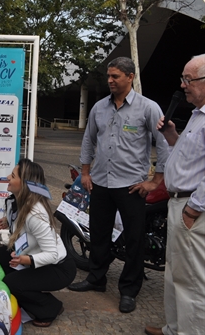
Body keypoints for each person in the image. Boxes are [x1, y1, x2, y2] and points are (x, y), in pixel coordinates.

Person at [68, 57, 169, 314]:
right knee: (99, 235)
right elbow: (89, 141)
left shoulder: (148, 108)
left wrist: (155, 181)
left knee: (134, 240)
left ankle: (128, 290)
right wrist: (86, 173)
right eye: (109, 76)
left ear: (130, 76)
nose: (110, 80)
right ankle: (96, 279)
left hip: (131, 187)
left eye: (115, 76)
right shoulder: (99, 108)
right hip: (101, 183)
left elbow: (165, 143)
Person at [145, 54, 205, 335]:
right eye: (183, 79)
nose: (183, 85)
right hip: (178, 203)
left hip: (193, 209)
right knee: (175, 273)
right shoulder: (197, 115)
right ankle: (174, 328)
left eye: (188, 80)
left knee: (192, 280)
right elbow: (191, 158)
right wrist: (172, 136)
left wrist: (193, 209)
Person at [0, 159, 76, 328]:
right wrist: (8, 221)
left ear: (24, 185)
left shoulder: (36, 214)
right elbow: (19, 220)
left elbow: (52, 254)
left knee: (12, 282)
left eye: (13, 176)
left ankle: (50, 308)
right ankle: (17, 294)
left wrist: (26, 260)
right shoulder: (15, 202)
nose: (8, 177)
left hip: (58, 267)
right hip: (31, 255)